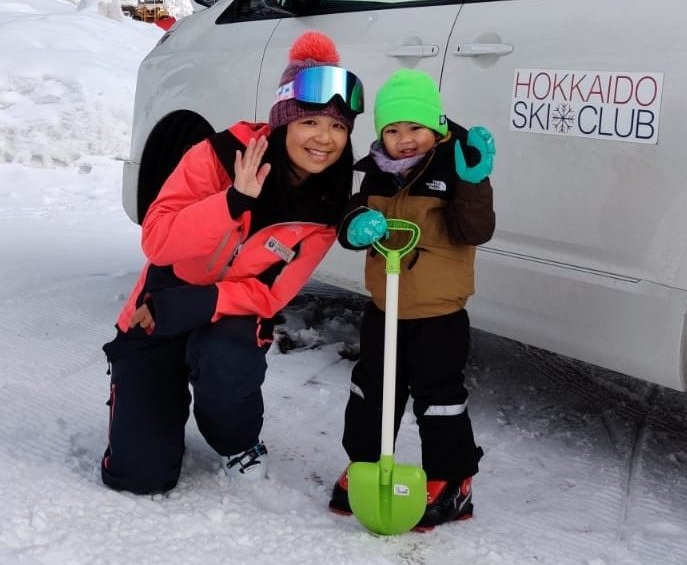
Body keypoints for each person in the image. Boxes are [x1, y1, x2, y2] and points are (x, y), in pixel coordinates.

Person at [101, 31, 364, 494]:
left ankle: (238, 441)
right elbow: (158, 241)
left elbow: (271, 294)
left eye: (339, 127)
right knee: (139, 475)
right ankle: (149, 408)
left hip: (224, 317)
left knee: (225, 361)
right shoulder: (219, 156)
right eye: (311, 123)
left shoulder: (325, 207)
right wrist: (231, 201)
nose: (325, 138)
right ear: (284, 122)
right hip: (158, 303)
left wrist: (195, 305)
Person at [328, 68, 496, 530]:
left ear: (437, 127)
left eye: (415, 128)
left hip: (439, 317)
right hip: (384, 310)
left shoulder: (454, 168)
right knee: (370, 390)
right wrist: (356, 226)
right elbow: (351, 220)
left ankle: (451, 478)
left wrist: (475, 183)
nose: (405, 139)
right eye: (393, 130)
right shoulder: (376, 176)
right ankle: (363, 463)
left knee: (438, 398)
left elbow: (474, 230)